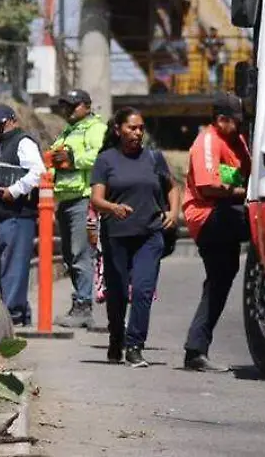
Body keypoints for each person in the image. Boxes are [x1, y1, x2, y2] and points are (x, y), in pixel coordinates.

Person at [90, 107, 180, 367]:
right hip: (116, 235)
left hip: (149, 235)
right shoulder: (106, 160)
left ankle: (135, 346)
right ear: (118, 130)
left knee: (142, 290)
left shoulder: (154, 158)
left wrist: (173, 212)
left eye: (141, 128)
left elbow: (172, 187)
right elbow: (96, 199)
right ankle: (116, 337)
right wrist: (112, 208)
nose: (138, 133)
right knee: (117, 293)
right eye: (132, 127)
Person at [181, 94, 251, 373]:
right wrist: (244, 193)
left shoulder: (237, 141)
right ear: (221, 120)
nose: (240, 128)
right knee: (259, 221)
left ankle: (195, 350)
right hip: (208, 214)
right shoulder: (207, 142)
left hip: (228, 211)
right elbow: (210, 186)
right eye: (236, 123)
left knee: (220, 282)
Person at [49, 89, 107, 329]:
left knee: (80, 254)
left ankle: (83, 305)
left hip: (84, 198)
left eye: (72, 106)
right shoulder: (67, 131)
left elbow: (100, 157)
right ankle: (80, 302)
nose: (67, 110)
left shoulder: (95, 128)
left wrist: (72, 158)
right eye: (65, 106)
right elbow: (55, 161)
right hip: (65, 199)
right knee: (71, 255)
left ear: (86, 106)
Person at [0, 104, 46, 326]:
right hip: (6, 214)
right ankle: (18, 314)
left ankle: (12, 316)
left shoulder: (22, 142)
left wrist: (15, 190)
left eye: (0, 124)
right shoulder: (4, 144)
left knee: (13, 266)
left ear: (12, 121)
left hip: (18, 214)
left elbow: (39, 172)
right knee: (8, 266)